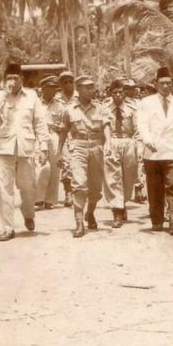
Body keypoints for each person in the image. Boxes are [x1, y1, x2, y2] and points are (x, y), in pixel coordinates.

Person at [0, 62, 49, 241]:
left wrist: (43, 146)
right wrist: (4, 94)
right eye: (8, 78)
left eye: (15, 78)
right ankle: (7, 227)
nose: (12, 82)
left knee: (28, 186)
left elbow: (40, 122)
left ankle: (28, 213)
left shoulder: (31, 96)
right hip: (4, 147)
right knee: (4, 189)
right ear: (4, 80)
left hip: (26, 146)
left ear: (21, 79)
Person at [136, 67, 173, 236]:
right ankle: (157, 220)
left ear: (172, 84)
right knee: (154, 188)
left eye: (169, 83)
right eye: (162, 83)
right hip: (153, 152)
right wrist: (147, 140)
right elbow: (142, 125)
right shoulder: (146, 102)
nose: (166, 86)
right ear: (156, 84)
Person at [57, 75, 110, 237]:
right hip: (78, 147)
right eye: (86, 87)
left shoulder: (100, 107)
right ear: (78, 89)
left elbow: (106, 125)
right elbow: (63, 131)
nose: (90, 90)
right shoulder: (69, 110)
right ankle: (79, 221)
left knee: (95, 187)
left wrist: (108, 142)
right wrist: (59, 152)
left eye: (92, 87)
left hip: (96, 147)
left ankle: (90, 212)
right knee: (79, 184)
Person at [103, 78, 138, 228]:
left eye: (120, 92)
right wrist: (108, 143)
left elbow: (137, 129)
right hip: (113, 142)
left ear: (124, 94)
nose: (118, 95)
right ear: (110, 93)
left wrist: (138, 145)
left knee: (129, 178)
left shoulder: (132, 109)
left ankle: (122, 202)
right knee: (112, 178)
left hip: (128, 142)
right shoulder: (105, 108)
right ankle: (116, 211)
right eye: (115, 92)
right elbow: (105, 126)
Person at [35, 76, 64, 210]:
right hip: (39, 137)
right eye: (51, 88)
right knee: (41, 166)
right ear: (44, 88)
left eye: (55, 88)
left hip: (54, 135)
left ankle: (50, 200)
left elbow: (64, 124)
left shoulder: (59, 105)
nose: (54, 91)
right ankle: (38, 198)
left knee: (54, 169)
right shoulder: (35, 103)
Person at [58, 70, 77, 207]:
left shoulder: (79, 97)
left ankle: (79, 191)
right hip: (63, 134)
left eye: (70, 81)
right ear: (61, 84)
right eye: (65, 82)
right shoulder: (57, 99)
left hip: (78, 134)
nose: (68, 84)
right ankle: (68, 192)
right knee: (66, 164)